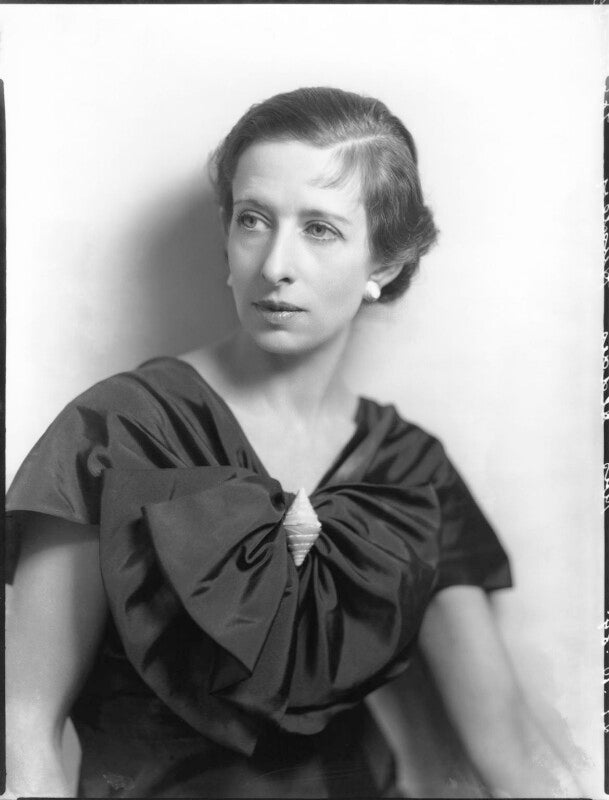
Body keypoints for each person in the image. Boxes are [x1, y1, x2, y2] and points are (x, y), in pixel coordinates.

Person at [5, 87, 581, 799]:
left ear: (384, 265)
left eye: (319, 229)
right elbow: (23, 732)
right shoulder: (119, 429)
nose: (275, 263)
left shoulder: (409, 469)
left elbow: (508, 748)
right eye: (253, 220)